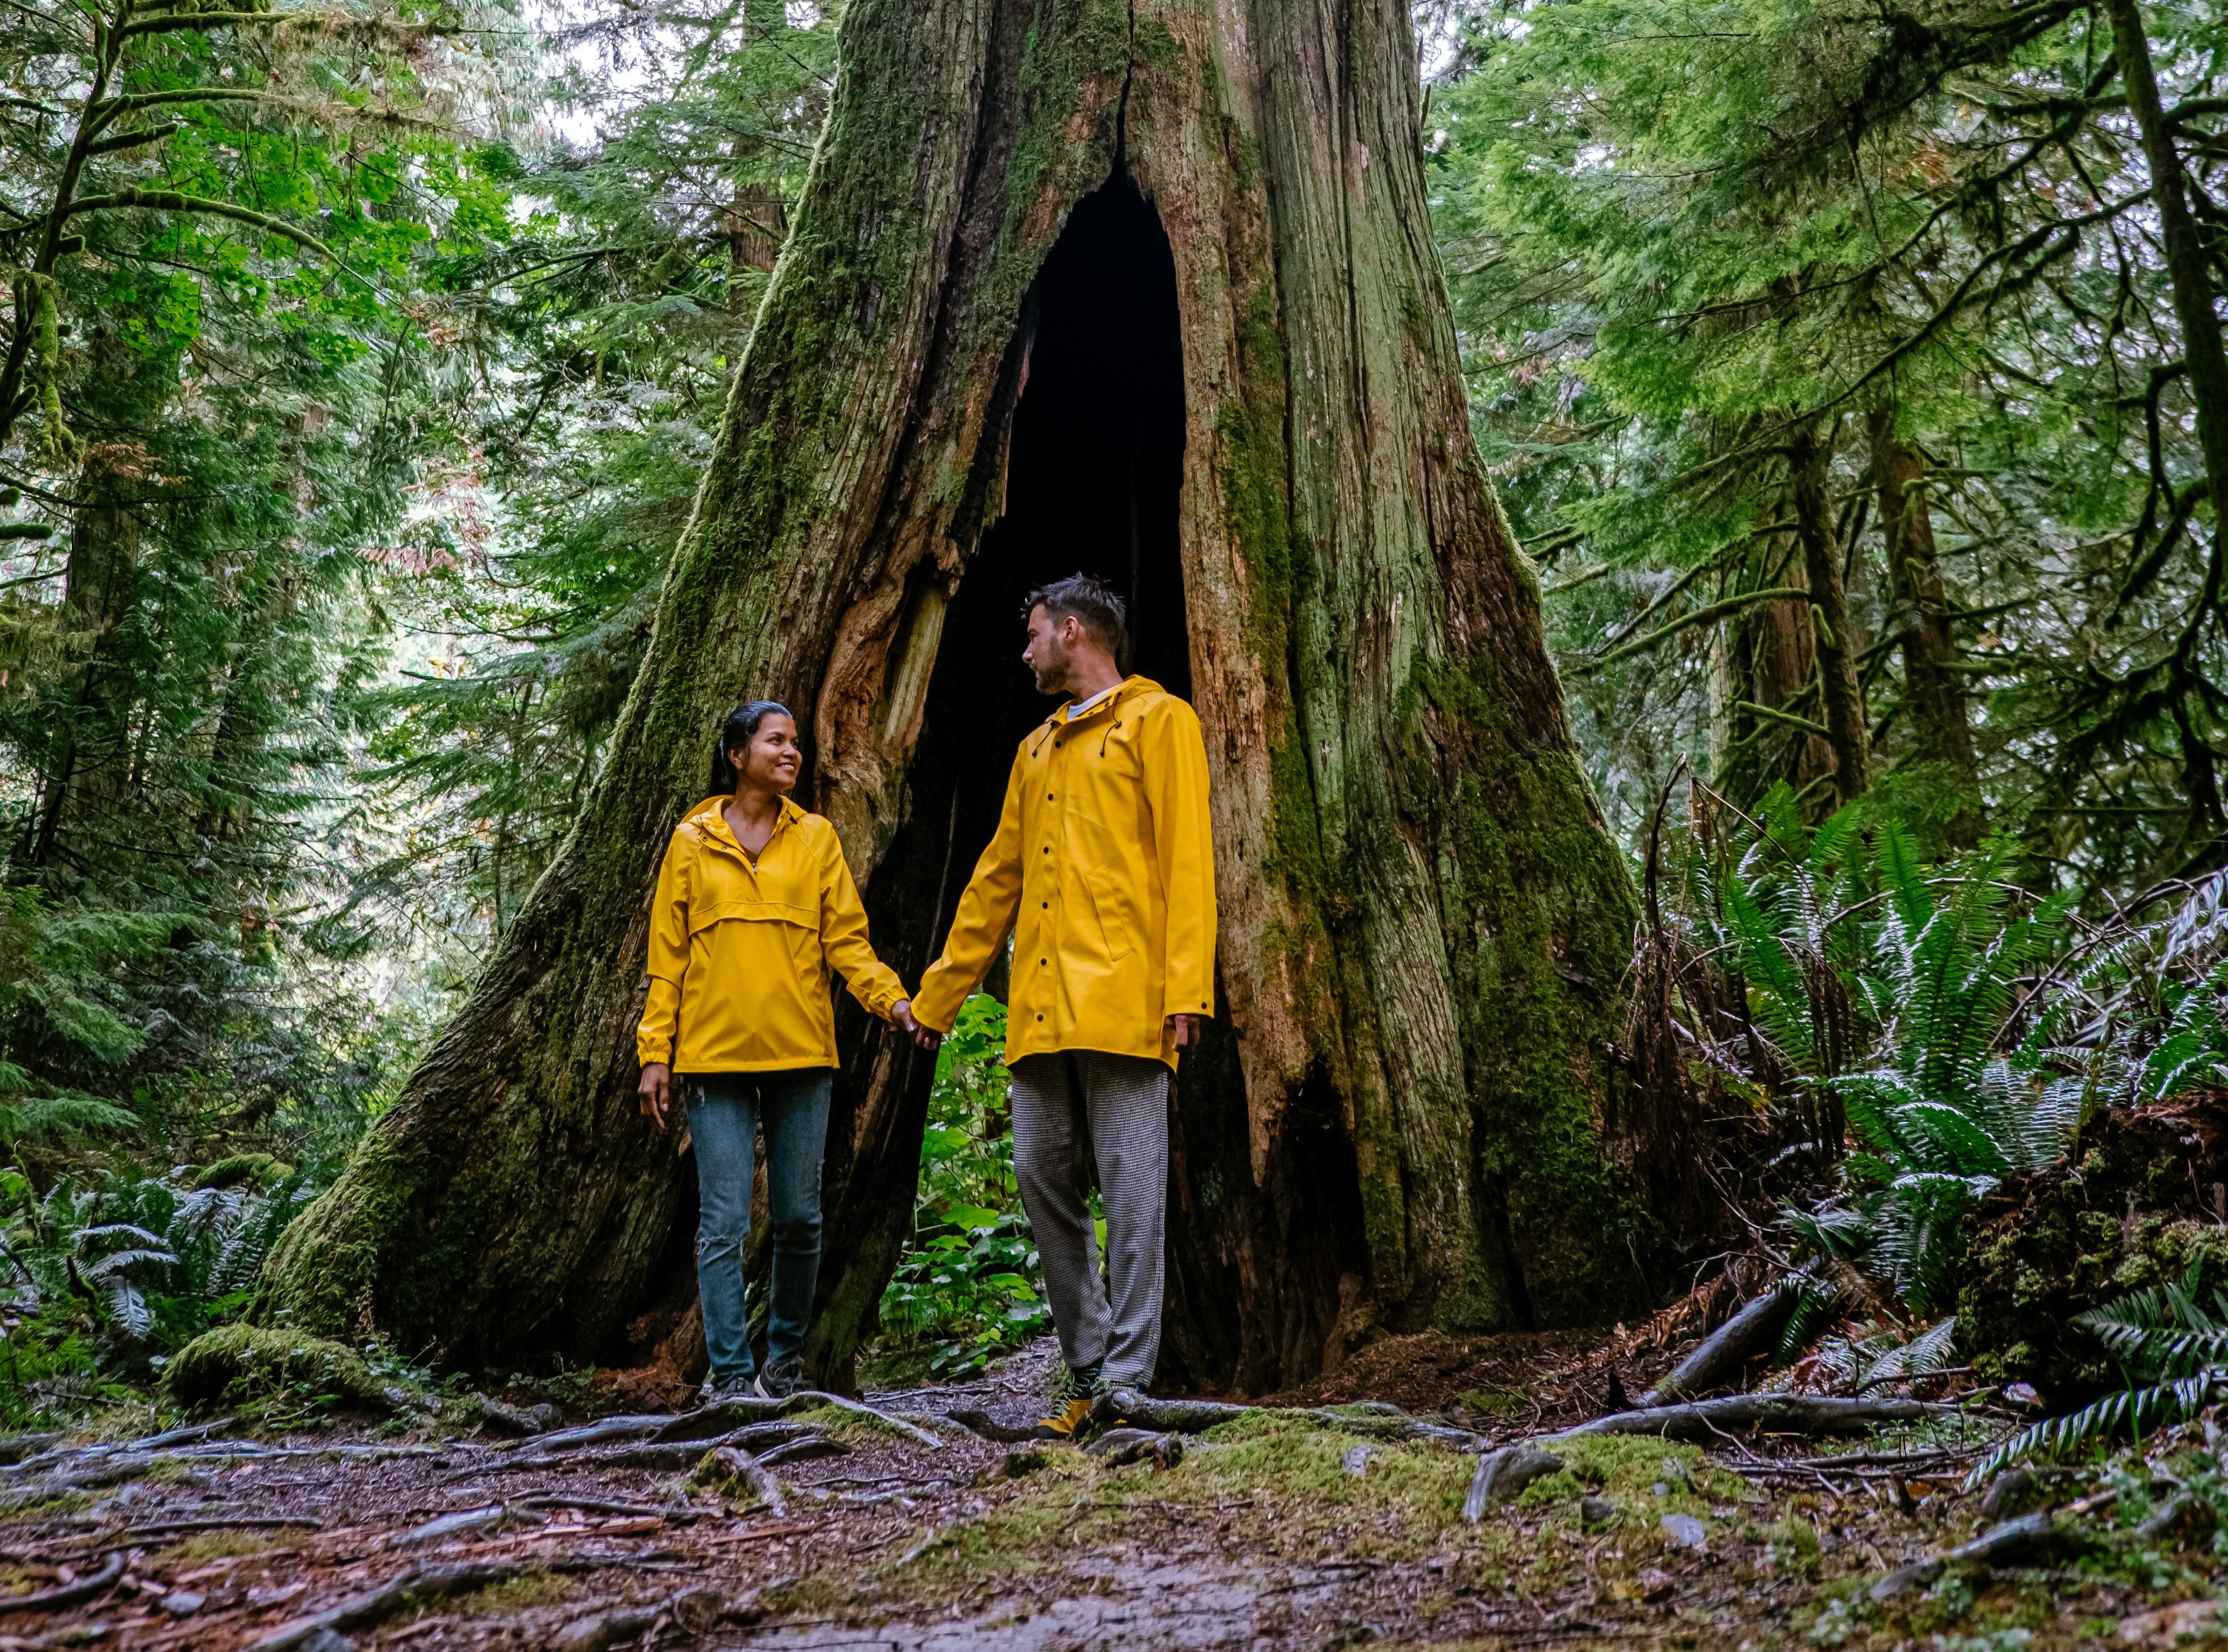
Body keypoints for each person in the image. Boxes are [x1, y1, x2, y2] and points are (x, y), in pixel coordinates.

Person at [909, 573, 1216, 1441]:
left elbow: (1188, 859)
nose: (1026, 650)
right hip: (1040, 1013)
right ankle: (1083, 1371)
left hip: (1128, 1004)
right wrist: (939, 999)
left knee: (1132, 1194)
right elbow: (994, 883)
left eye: (1035, 633)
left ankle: (1125, 1381)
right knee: (1045, 1185)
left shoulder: (1160, 722)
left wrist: (1187, 987)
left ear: (1074, 632)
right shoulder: (1035, 750)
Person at [636, 700, 925, 1401]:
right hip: (712, 1058)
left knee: (799, 1215)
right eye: (776, 741)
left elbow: (847, 944)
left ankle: (786, 1361)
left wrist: (892, 1000)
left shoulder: (817, 838)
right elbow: (667, 958)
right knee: (725, 1222)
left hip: (802, 1054)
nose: (792, 752)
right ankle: (732, 1377)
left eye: (796, 742)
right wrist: (655, 1051)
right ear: (738, 755)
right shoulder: (692, 839)